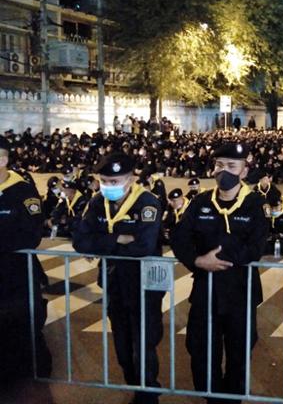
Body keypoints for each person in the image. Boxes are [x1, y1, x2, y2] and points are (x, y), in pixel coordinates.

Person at [171, 142, 268, 404]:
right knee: (200, 351)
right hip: (206, 290)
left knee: (238, 354)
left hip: (240, 291)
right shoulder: (201, 202)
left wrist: (221, 260)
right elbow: (179, 238)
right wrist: (199, 261)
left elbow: (256, 246)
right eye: (220, 165)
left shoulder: (256, 203)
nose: (223, 171)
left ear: (244, 171)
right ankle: (211, 399)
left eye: (231, 166)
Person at [72, 152, 164, 404]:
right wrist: (118, 239)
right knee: (123, 347)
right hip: (114, 283)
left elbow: (144, 246)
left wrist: (100, 244)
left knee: (144, 345)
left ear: (131, 178)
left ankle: (148, 395)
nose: (108, 186)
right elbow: (80, 241)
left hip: (144, 284)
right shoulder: (96, 202)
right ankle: (136, 387)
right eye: (104, 180)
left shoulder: (147, 203)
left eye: (115, 181)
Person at [0, 136, 51, 396]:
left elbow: (32, 232)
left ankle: (29, 370)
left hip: (16, 270)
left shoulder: (23, 191)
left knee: (22, 321)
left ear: (4, 159)